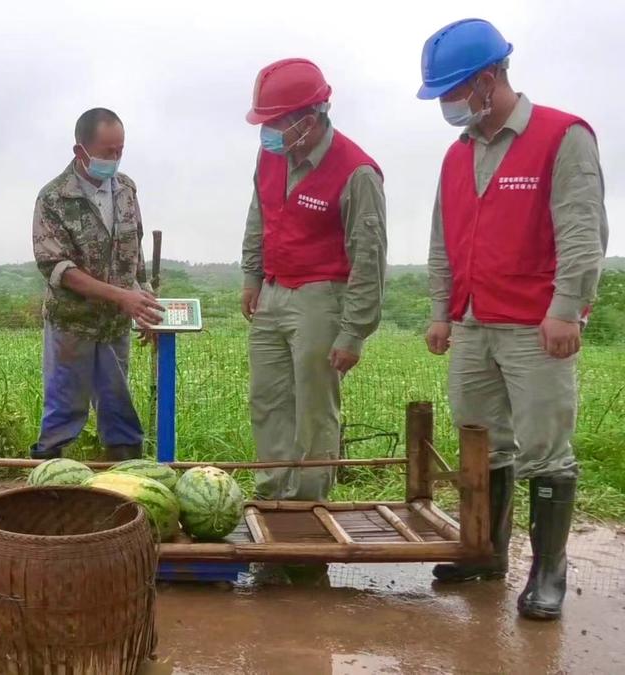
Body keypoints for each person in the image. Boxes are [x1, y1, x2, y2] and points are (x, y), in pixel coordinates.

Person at [417, 19, 607, 620]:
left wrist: (566, 308)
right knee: (479, 436)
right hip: (472, 321)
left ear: (489, 79)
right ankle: (486, 552)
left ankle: (549, 569)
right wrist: (442, 310)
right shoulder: (458, 153)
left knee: (545, 447)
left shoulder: (561, 135)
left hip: (535, 324)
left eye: (453, 92)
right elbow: (443, 241)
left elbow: (582, 231)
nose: (448, 105)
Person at [241, 59, 388, 502]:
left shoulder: (357, 172)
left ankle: (308, 504)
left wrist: (353, 332)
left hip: (322, 296)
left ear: (306, 121)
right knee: (267, 400)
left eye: (273, 123)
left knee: (314, 409)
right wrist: (252, 276)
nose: (265, 132)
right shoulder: (272, 155)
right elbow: (259, 215)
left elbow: (369, 257)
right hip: (273, 288)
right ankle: (272, 495)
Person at [30, 108, 163, 461]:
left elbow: (135, 250)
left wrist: (143, 299)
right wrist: (121, 296)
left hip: (114, 324)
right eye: (107, 152)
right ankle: (48, 484)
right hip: (72, 323)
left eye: (120, 150)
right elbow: (57, 268)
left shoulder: (126, 189)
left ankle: (126, 480)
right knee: (64, 407)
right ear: (81, 151)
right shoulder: (54, 197)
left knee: (118, 404)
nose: (114, 159)